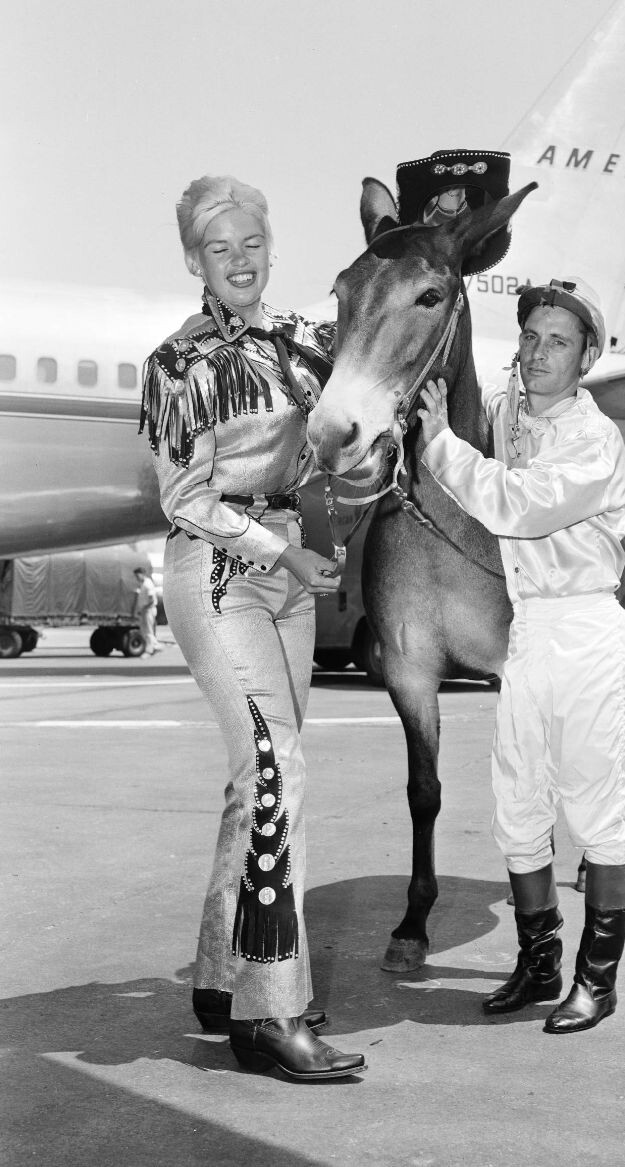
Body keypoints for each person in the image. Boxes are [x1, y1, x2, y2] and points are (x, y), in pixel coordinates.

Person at [139, 175, 366, 1080]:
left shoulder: (304, 343)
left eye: (250, 243)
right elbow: (185, 497)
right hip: (220, 573)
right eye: (217, 247)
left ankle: (221, 977)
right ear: (193, 261)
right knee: (278, 772)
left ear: (270, 248)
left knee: (258, 780)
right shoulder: (177, 362)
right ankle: (269, 1013)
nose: (238, 260)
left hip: (288, 578)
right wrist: (282, 551)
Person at [418, 278, 625, 1034]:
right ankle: (539, 963)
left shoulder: (592, 439)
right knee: (517, 810)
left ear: (585, 359)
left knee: (595, 814)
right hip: (530, 634)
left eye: (559, 342)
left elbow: (514, 504)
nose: (539, 352)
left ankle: (596, 981)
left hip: (585, 631)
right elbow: (467, 399)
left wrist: (440, 445)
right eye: (530, 336)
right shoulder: (510, 410)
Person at [132, 567, 160, 655]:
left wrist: (144, 608)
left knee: (148, 630)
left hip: (148, 610)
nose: (136, 578)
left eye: (137, 576)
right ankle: (154, 646)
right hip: (145, 610)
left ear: (142, 574)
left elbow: (151, 599)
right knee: (145, 630)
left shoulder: (147, 584)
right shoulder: (143, 583)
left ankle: (152, 648)